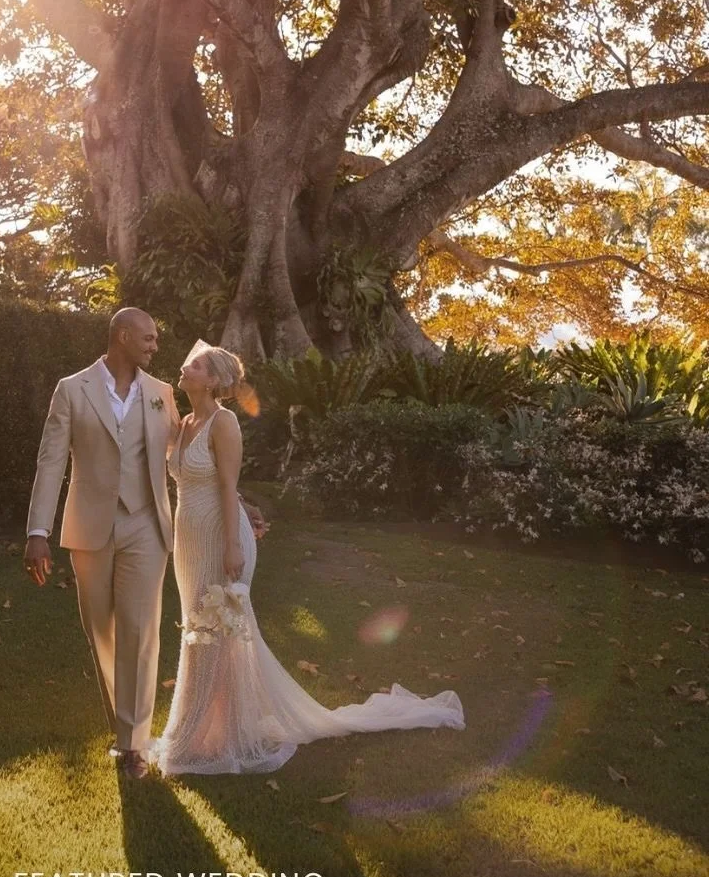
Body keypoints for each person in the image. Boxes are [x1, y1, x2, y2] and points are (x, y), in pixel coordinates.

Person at [146, 340, 466, 776]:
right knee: (201, 633)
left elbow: (225, 486)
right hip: (189, 541)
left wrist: (233, 544)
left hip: (223, 538)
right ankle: (214, 728)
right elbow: (207, 479)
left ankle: (197, 735)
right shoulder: (182, 423)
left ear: (215, 380)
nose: (185, 369)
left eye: (195, 366)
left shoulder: (224, 423)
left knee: (217, 632)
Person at [23, 308, 178, 780]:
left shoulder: (160, 394)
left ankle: (133, 744)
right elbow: (51, 462)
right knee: (102, 632)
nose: (155, 347)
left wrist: (231, 499)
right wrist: (37, 532)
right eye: (148, 339)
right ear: (123, 336)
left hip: (146, 526)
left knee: (139, 629)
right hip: (90, 527)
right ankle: (123, 725)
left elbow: (181, 458)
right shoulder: (72, 389)